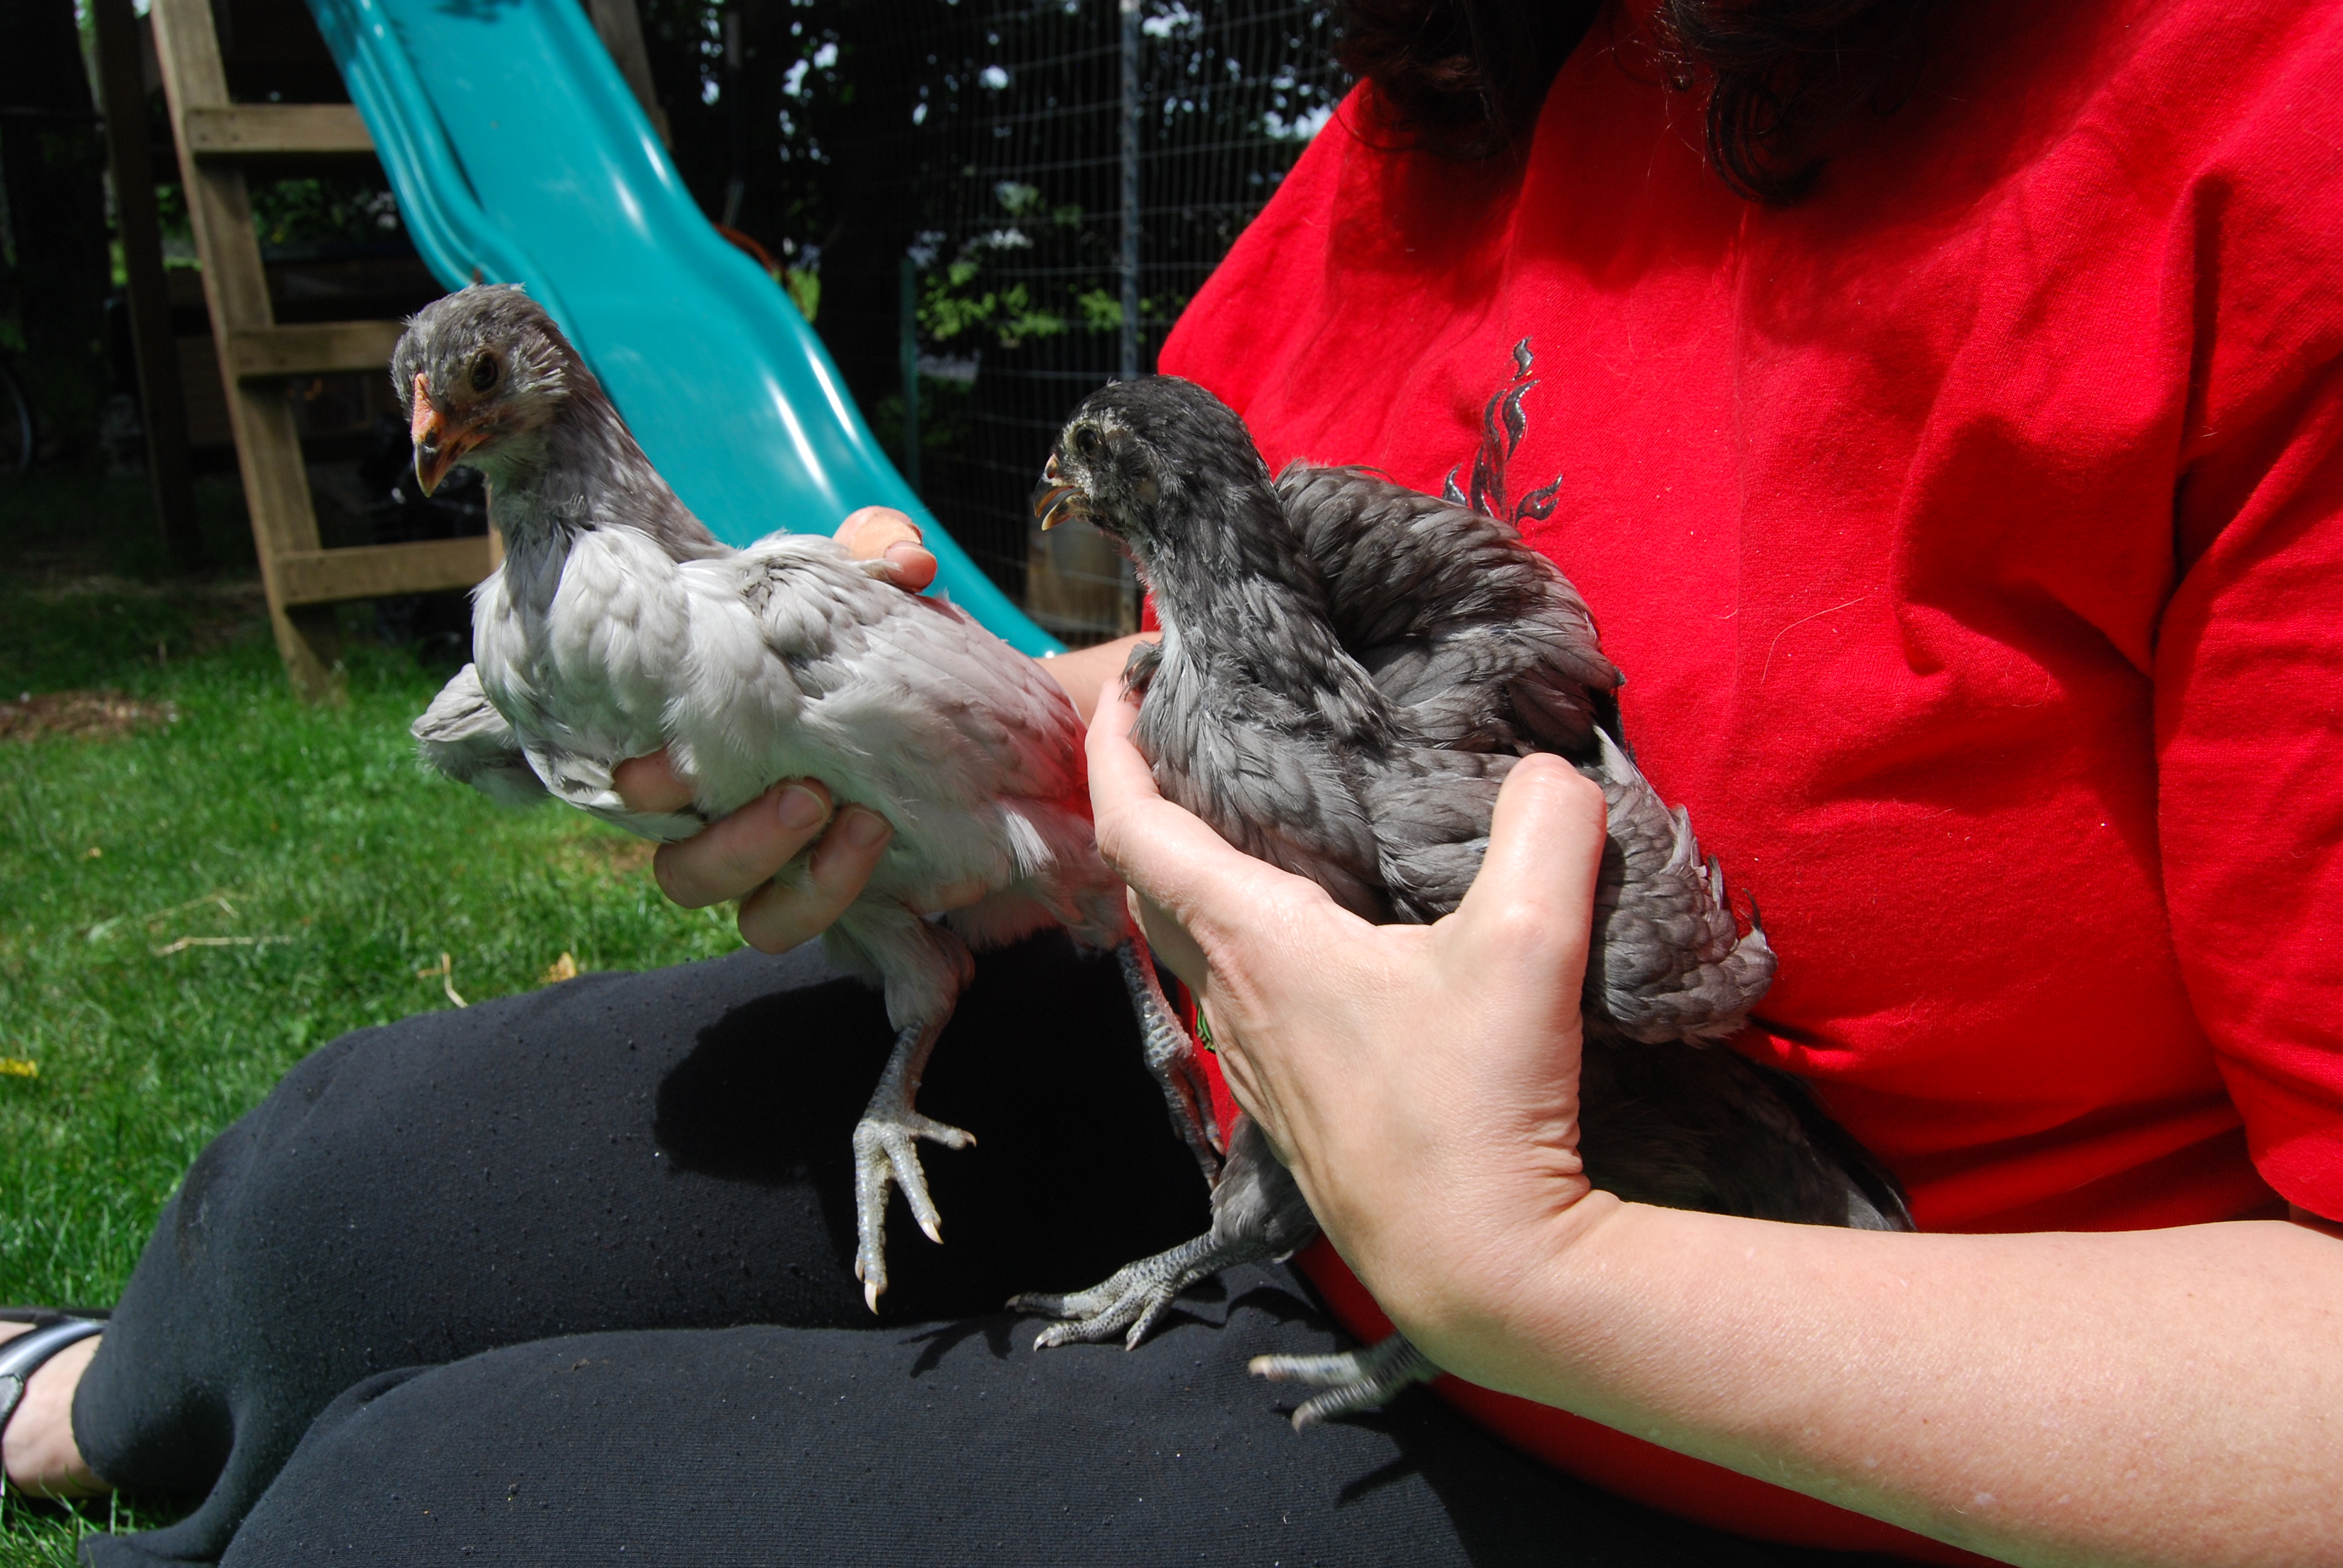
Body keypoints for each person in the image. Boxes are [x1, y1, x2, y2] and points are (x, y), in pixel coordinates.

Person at [9, 0, 2343, 1562]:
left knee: (440, 1522)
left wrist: (1545, 1270)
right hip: (1255, 1118)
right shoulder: (1462, 82)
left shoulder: (2258, 135)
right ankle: (109, 1404)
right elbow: (1191, 673)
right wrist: (920, 752)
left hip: (1794, 1424)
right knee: (340, 1195)